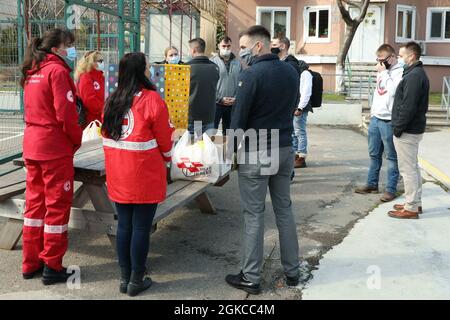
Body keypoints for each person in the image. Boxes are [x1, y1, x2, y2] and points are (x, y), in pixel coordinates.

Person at [225, 26, 301, 295]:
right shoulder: (291, 71)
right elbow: (293, 104)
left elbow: (239, 118)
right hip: (284, 147)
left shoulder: (252, 74)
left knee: (254, 215)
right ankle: (293, 272)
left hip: (258, 150)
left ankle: (251, 276)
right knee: (284, 210)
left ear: (259, 46)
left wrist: (228, 155)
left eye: (244, 46)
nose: (240, 51)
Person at [102, 52, 175, 296]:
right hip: (144, 173)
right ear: (141, 71)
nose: (150, 70)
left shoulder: (113, 99)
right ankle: (136, 279)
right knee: (141, 228)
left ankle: (124, 278)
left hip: (118, 173)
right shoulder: (152, 99)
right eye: (148, 67)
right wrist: (167, 159)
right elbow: (165, 139)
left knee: (124, 225)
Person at [20, 28, 82, 285]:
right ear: (57, 48)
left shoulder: (32, 70)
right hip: (54, 148)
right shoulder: (57, 72)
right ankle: (52, 266)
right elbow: (66, 115)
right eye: (69, 44)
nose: (72, 49)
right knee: (57, 206)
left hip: (33, 144)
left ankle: (30, 263)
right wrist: (77, 140)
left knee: (34, 206)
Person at [355, 44, 403, 202]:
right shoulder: (383, 71)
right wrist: (373, 112)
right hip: (376, 118)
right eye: (378, 61)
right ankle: (372, 183)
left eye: (383, 60)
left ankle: (390, 189)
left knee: (391, 157)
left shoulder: (399, 71)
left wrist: (384, 74)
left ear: (392, 57)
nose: (380, 64)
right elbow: (378, 93)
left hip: (389, 120)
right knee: (374, 154)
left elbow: (394, 91)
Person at [388, 42, 429, 220]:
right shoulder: (415, 73)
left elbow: (408, 106)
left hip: (407, 130)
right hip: (411, 129)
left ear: (411, 56)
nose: (399, 58)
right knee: (412, 167)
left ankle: (411, 207)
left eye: (402, 55)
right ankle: (414, 202)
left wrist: (398, 128)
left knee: (408, 170)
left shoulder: (414, 76)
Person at [271, 37, 312, 171]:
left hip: (297, 106)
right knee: (293, 133)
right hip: (290, 107)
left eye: (274, 44)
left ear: (283, 46)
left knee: (299, 132)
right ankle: (294, 157)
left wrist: (299, 107)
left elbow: (305, 91)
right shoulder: (281, 62)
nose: (272, 46)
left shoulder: (296, 67)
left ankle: (301, 157)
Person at [187, 38, 219, 135]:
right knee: (207, 148)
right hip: (209, 117)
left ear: (193, 50)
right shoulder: (215, 67)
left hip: (191, 117)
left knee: (191, 148)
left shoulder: (186, 68)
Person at [210, 35, 242, 135]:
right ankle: (212, 150)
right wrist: (219, 98)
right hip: (216, 103)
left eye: (228, 46)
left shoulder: (237, 63)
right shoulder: (212, 62)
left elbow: (241, 82)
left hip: (232, 104)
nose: (226, 49)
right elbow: (210, 85)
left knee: (229, 133)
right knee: (212, 132)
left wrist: (236, 98)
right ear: (219, 46)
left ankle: (228, 150)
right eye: (224, 46)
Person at [75, 50, 105, 126]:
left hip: (101, 118)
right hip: (91, 120)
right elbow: (89, 100)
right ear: (91, 62)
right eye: (100, 61)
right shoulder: (86, 77)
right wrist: (105, 109)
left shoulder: (102, 76)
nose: (102, 63)